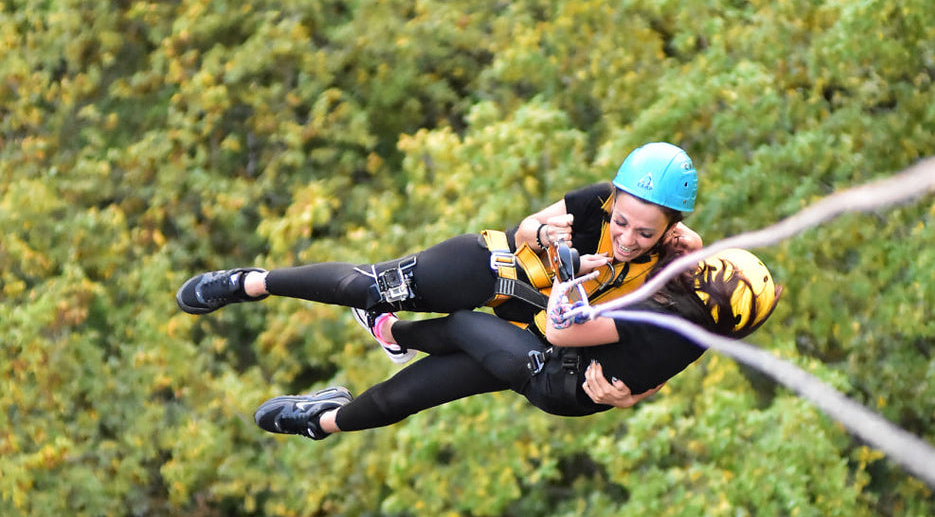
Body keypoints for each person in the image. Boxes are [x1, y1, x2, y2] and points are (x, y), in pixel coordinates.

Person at [176, 143, 702, 366]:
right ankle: (251, 282)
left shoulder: (675, 257)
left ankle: (385, 330)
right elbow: (526, 229)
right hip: (493, 270)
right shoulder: (594, 202)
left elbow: (666, 326)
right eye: (622, 222)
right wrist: (550, 239)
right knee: (367, 284)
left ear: (671, 228)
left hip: (527, 327)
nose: (629, 237)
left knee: (439, 351)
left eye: (646, 232)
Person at [251, 248, 782, 440]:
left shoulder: (655, 318)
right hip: (570, 376)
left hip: (554, 370)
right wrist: (635, 392)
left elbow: (559, 329)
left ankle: (389, 330)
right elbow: (657, 372)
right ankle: (321, 422)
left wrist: (569, 284)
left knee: (461, 322)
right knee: (411, 395)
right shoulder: (698, 329)